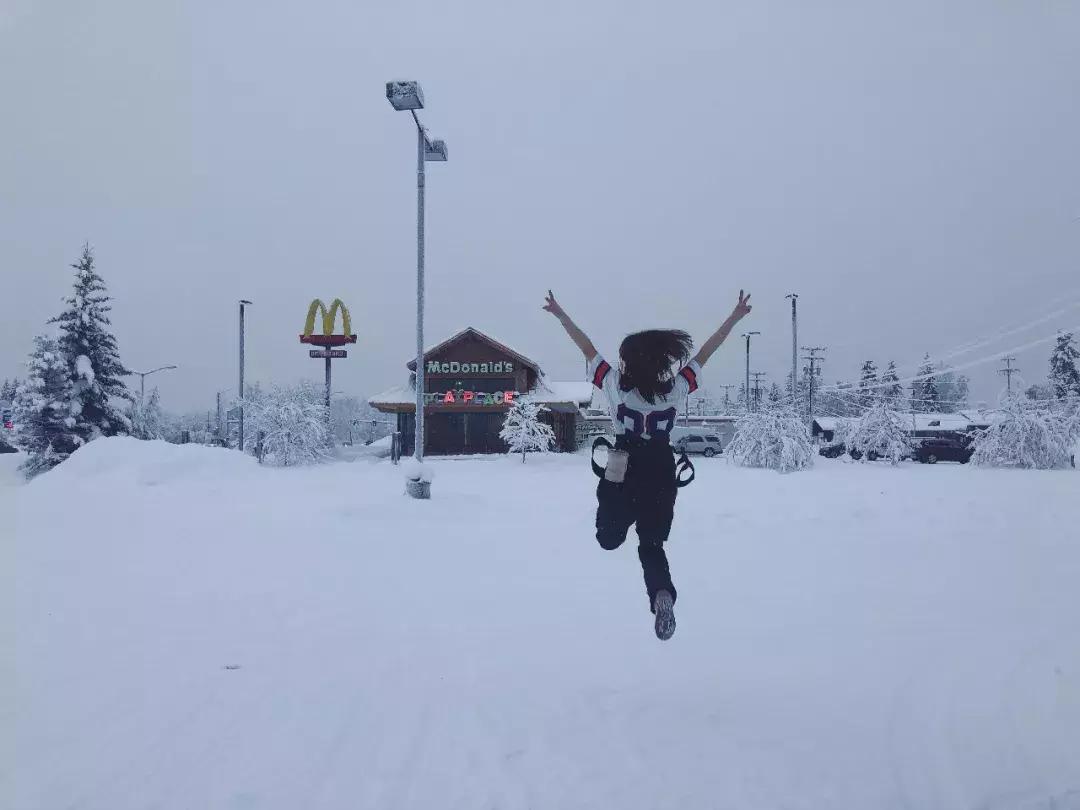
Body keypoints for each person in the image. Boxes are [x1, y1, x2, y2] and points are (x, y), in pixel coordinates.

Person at [543, 289, 752, 640]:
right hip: (660, 467)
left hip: (622, 463)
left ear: (629, 362)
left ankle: (617, 526)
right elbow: (707, 351)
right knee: (651, 546)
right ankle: (662, 596)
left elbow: (586, 346)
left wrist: (561, 314)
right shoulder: (677, 389)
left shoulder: (613, 385)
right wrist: (734, 317)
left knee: (608, 538)